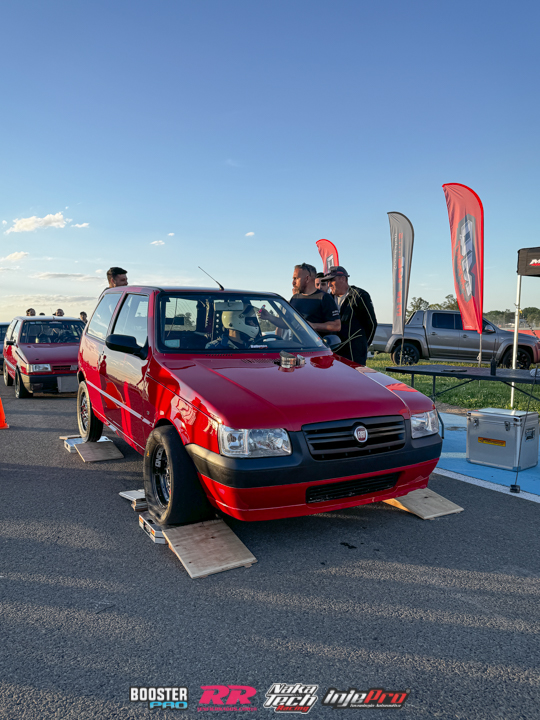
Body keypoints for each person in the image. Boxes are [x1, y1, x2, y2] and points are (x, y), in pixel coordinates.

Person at [260, 263, 340, 336]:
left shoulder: (324, 298)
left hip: (316, 346)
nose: (293, 283)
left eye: (296, 278)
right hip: (296, 346)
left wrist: (313, 326)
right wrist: (269, 317)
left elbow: (336, 326)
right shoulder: (295, 298)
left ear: (307, 279)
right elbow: (287, 323)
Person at [321, 265, 377, 365]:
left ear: (343, 279)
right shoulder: (328, 299)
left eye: (332, 280)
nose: (329, 285)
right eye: (327, 281)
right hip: (333, 355)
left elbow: (371, 324)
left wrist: (363, 346)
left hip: (354, 355)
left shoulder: (359, 296)